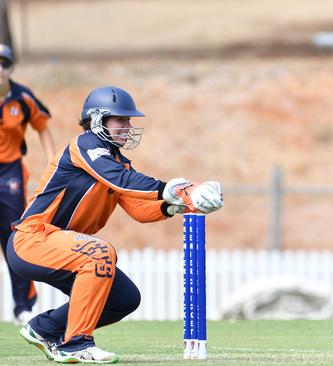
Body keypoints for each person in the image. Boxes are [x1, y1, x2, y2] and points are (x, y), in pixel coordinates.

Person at [7, 86, 224, 364]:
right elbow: (119, 180)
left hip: (60, 244)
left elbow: (139, 208)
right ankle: (76, 343)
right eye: (121, 119)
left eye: (129, 120)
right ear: (97, 119)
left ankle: (44, 329)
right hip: (32, 239)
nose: (128, 126)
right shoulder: (84, 145)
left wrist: (179, 204)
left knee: (123, 298)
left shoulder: (118, 162)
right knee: (101, 253)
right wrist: (172, 188)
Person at [0, 43, 55, 326]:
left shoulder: (22, 98)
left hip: (9, 173)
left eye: (4, 63)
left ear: (11, 68)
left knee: (13, 239)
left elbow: (42, 128)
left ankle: (23, 307)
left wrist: (51, 165)